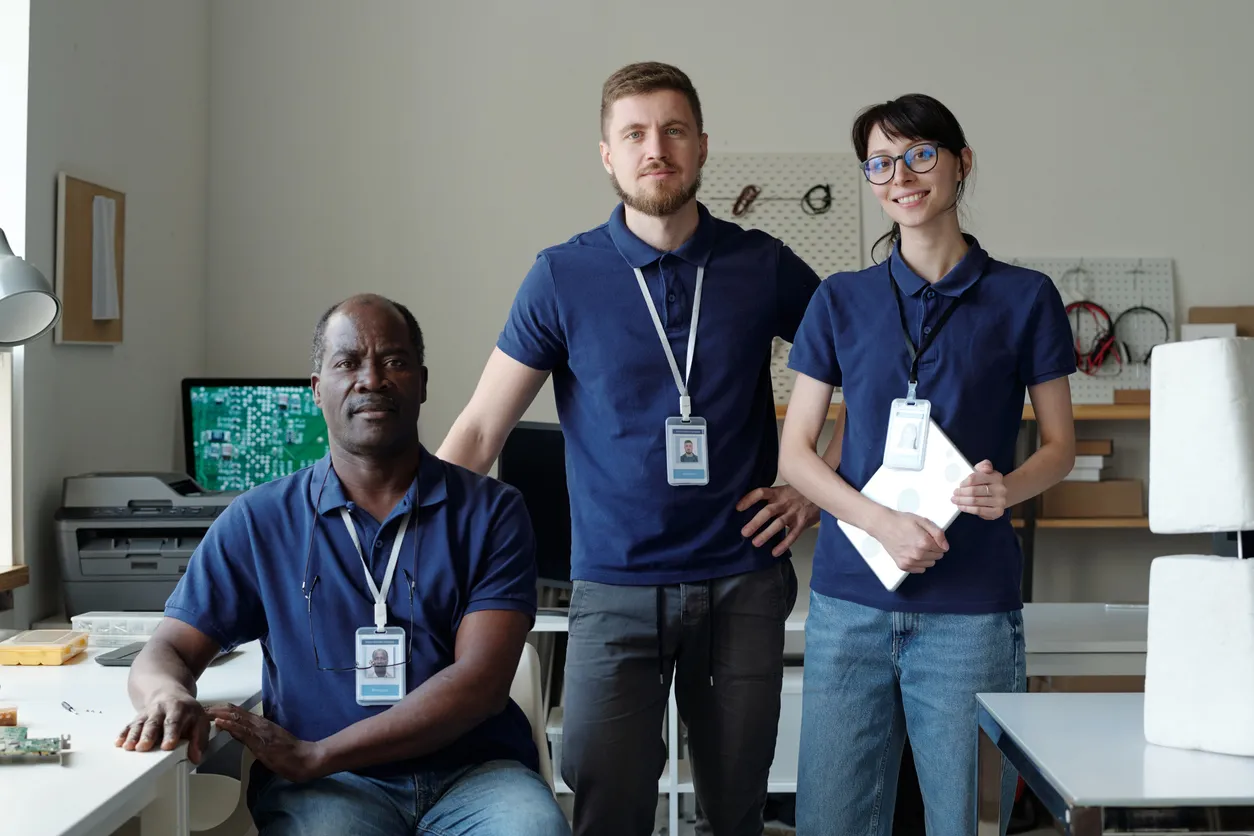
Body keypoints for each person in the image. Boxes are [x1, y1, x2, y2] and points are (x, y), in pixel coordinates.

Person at [438, 61, 830, 836]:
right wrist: (411, 547)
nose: (657, 148)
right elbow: (482, 430)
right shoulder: (562, 276)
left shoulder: (761, 265)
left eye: (674, 130)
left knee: (735, 812)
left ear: (703, 146)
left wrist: (815, 486)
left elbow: (866, 367)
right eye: (636, 134)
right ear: (608, 155)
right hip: (613, 592)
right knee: (606, 812)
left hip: (741, 582)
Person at [117, 294, 570, 836]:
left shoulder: (492, 512)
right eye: (347, 362)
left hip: (475, 775)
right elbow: (166, 650)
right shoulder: (260, 520)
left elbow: (480, 684)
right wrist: (167, 693)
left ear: (422, 383)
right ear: (316, 390)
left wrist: (318, 754)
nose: (371, 379)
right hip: (332, 790)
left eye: (394, 362)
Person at [778, 94, 1076, 836]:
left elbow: (1060, 448)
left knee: (963, 825)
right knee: (834, 822)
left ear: (961, 161)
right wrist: (880, 523)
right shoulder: (839, 300)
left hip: (970, 611)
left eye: (919, 154)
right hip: (852, 603)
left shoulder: (1024, 298)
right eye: (880, 162)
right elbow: (796, 454)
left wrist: (1006, 488)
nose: (900, 176)